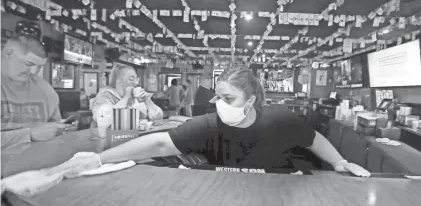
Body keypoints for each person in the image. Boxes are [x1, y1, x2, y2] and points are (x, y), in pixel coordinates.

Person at [58, 67, 370, 178]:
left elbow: (313, 138)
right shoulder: (209, 124)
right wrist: (98, 158)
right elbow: (157, 141)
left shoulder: (282, 119)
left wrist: (340, 162)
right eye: (217, 97)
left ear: (250, 101)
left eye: (228, 98)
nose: (219, 105)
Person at [1, 21, 77, 148]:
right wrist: (30, 134)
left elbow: (56, 131)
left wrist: (63, 129)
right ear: (9, 53)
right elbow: (35, 134)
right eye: (29, 64)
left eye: (39, 67)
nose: (34, 72)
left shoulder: (47, 91)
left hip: (41, 164)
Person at [90, 63, 163, 120]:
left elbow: (158, 117)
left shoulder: (135, 97)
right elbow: (102, 118)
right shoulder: (105, 95)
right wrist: (125, 98)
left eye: (137, 79)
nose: (136, 83)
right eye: (131, 79)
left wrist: (148, 101)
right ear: (119, 82)